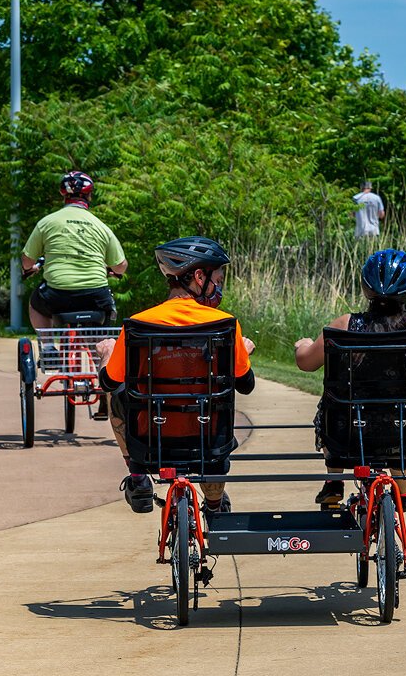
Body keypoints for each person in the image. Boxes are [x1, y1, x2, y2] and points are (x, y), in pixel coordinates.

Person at [96, 237, 256, 517]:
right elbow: (246, 384)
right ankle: (216, 505)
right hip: (207, 440)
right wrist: (243, 351)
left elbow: (108, 381)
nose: (219, 287)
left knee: (115, 392)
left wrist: (107, 354)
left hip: (150, 440)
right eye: (217, 279)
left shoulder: (137, 325)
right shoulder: (226, 325)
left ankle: (137, 477)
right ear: (198, 276)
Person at [293, 248, 406, 510]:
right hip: (405, 433)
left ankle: (334, 480)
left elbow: (306, 363)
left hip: (347, 432)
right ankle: (402, 491)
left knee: (332, 404)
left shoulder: (345, 325)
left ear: (366, 288)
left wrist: (303, 345)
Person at [23, 171, 128, 329]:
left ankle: (48, 346)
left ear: (63, 194)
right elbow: (121, 265)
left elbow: (26, 261)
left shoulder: (46, 222)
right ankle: (99, 349)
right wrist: (114, 271)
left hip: (57, 294)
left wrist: (31, 268)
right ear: (89, 196)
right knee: (103, 324)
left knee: (35, 304)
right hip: (95, 295)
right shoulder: (101, 226)